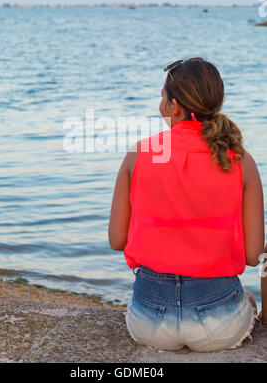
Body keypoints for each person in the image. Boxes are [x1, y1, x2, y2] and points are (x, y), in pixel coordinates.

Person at [108, 57, 265, 352]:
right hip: (219, 324)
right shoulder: (241, 160)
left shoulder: (139, 154)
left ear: (175, 106)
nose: (161, 104)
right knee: (248, 299)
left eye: (162, 97)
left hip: (148, 321)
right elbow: (255, 255)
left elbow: (117, 240)